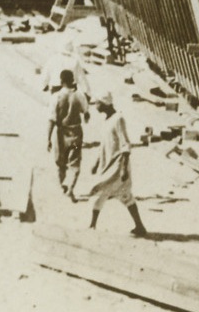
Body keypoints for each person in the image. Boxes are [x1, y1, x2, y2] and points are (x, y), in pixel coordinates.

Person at [85, 92, 147, 236]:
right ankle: (140, 227)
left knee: (100, 190)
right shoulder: (107, 120)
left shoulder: (118, 119)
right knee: (124, 195)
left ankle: (92, 225)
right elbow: (103, 145)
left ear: (105, 104)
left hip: (117, 166)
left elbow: (125, 144)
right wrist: (96, 163)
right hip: (108, 164)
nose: (96, 106)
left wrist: (124, 168)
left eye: (98, 103)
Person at [46, 68, 87, 193]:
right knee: (75, 162)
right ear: (72, 80)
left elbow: (52, 119)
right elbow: (85, 111)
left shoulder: (56, 97)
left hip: (61, 134)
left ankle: (62, 185)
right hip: (75, 133)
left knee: (61, 162)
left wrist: (48, 138)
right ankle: (71, 188)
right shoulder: (79, 95)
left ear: (61, 81)